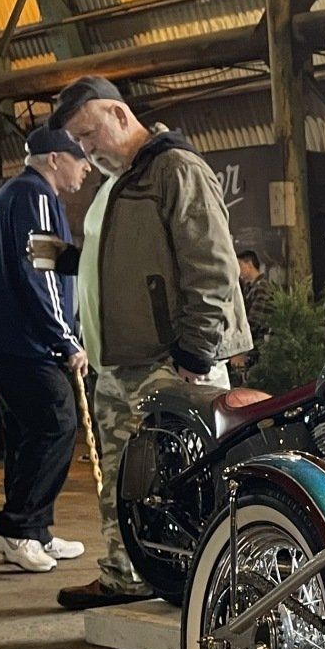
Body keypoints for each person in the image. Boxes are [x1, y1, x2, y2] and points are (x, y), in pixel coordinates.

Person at [44, 75, 252, 609]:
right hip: (121, 365)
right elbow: (133, 258)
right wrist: (72, 260)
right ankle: (124, 573)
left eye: (90, 135)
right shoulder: (120, 180)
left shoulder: (176, 170)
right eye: (79, 143)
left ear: (118, 114)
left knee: (186, 479)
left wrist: (197, 350)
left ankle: (210, 584)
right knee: (121, 480)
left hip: (171, 362)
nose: (87, 149)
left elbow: (212, 265)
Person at [0, 126, 94, 574]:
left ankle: (33, 530)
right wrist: (66, 338)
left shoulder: (15, 195)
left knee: (28, 434)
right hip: (25, 340)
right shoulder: (36, 196)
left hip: (6, 338)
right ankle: (17, 527)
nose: (85, 169)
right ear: (56, 158)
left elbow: (53, 266)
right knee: (57, 424)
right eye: (81, 160)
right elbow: (40, 274)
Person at [231, 249, 272, 384]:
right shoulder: (251, 287)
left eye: (239, 265)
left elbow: (255, 320)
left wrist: (242, 347)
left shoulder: (262, 287)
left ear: (249, 264)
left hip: (261, 346)